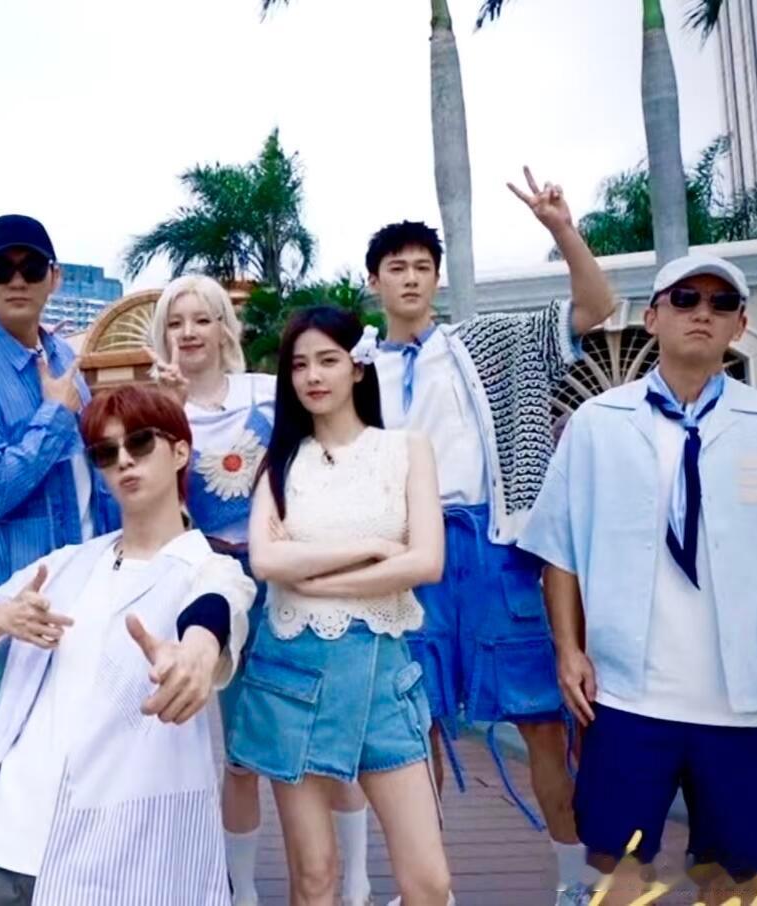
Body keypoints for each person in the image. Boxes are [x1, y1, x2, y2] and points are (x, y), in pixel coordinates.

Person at [519, 254, 757, 904]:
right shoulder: (598, 424)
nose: (702, 313)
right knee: (616, 876)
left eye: (720, 303)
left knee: (750, 884)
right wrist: (569, 650)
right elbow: (559, 549)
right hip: (630, 698)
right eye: (685, 299)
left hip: (750, 701)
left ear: (740, 325)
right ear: (653, 317)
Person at [367, 169, 617, 903]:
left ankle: (573, 882)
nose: (411, 278)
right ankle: (427, 887)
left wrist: (562, 229)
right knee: (414, 725)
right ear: (374, 281)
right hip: (405, 555)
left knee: (542, 719)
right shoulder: (349, 369)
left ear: (436, 278)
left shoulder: (484, 343)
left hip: (494, 546)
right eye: (396, 268)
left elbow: (595, 309)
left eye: (423, 266)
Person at [0, 384, 255, 906]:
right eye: (105, 452)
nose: (124, 460)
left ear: (180, 451)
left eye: (140, 442)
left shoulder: (210, 568)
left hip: (122, 847)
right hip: (2, 831)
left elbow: (214, 610)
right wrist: (0, 618)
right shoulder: (67, 563)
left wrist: (194, 656)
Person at [147, 275, 374, 906]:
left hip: (289, 581)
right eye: (176, 322)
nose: (190, 333)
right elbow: (156, 508)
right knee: (241, 752)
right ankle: (241, 889)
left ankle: (356, 878)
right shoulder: (156, 411)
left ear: (225, 326)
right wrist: (166, 417)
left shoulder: (268, 393)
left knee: (326, 738)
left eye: (202, 318)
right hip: (215, 591)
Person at [228, 306, 450, 906]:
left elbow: (426, 561)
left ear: (357, 367)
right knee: (315, 876)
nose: (312, 376)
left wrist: (318, 582)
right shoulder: (280, 463)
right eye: (299, 365)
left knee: (429, 881)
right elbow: (266, 560)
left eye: (327, 360)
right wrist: (372, 550)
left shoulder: (407, 450)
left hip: (383, 678)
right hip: (293, 677)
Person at [0, 214, 118, 750]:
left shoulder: (63, 357)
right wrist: (55, 415)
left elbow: (91, 477)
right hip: (9, 609)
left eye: (31, 267)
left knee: (81, 761)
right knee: (10, 770)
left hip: (80, 597)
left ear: (53, 278)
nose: (17, 280)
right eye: (1, 268)